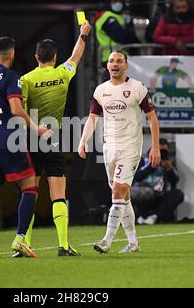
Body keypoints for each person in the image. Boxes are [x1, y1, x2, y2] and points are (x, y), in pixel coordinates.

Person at [0, 37, 50, 259]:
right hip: (8, 140)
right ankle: (20, 238)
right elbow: (16, 109)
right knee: (30, 186)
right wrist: (36, 129)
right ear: (11, 54)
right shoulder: (11, 76)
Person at [19, 20, 92, 257]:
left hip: (30, 140)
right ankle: (62, 245)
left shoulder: (25, 80)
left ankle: (23, 244)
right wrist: (83, 35)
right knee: (58, 194)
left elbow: (19, 112)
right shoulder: (62, 73)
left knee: (29, 193)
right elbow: (76, 58)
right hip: (55, 139)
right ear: (54, 56)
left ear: (36, 56)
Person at [78, 51, 161, 254]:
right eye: (112, 61)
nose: (115, 64)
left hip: (131, 147)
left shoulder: (136, 88)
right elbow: (92, 118)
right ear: (107, 66)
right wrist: (83, 140)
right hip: (109, 148)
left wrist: (156, 146)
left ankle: (107, 240)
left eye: (119, 61)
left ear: (126, 66)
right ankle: (133, 242)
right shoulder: (101, 91)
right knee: (123, 197)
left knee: (117, 191)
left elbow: (152, 117)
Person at [131, 138, 184, 225]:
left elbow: (175, 181)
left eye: (164, 151)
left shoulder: (168, 161)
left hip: (159, 195)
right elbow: (137, 177)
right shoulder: (143, 159)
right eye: (160, 150)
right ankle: (147, 216)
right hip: (144, 195)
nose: (161, 154)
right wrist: (152, 165)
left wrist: (169, 168)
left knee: (178, 194)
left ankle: (153, 216)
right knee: (145, 192)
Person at [95, 0, 141, 69]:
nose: (118, 3)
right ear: (110, 2)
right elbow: (121, 36)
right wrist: (135, 40)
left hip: (122, 58)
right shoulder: (107, 17)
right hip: (112, 59)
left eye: (120, 1)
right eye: (115, 1)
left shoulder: (119, 17)